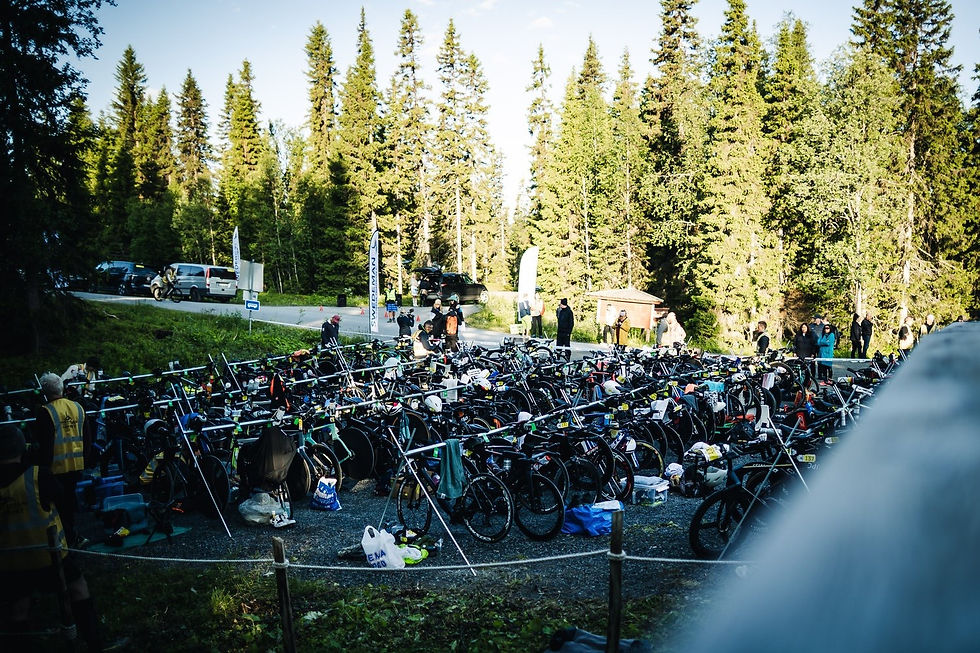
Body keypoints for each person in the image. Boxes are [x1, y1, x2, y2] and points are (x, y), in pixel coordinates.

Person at [0, 424, 116, 652]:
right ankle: (94, 643)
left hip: (9, 561)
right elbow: (62, 501)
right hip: (48, 554)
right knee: (78, 589)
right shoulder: (36, 475)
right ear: (22, 447)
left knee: (19, 606)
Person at [31, 372, 91, 549]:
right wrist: (85, 460)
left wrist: (42, 467)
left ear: (44, 391)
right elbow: (87, 438)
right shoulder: (77, 407)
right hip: (75, 465)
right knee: (69, 503)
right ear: (62, 388)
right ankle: (72, 535)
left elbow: (44, 443)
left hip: (54, 468)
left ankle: (65, 539)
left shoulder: (45, 412)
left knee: (57, 507)